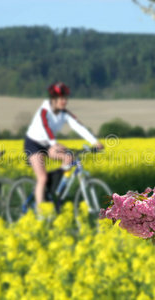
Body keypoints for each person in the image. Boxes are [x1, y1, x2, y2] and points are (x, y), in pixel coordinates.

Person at [24, 82, 103, 213]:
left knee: (69, 158)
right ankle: (40, 212)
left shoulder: (64, 113)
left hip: (49, 143)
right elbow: (46, 127)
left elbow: (78, 126)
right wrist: (54, 143)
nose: (65, 101)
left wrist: (95, 142)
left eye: (66, 98)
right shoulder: (44, 110)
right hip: (34, 143)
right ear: (53, 99)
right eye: (62, 98)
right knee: (42, 177)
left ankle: (54, 190)